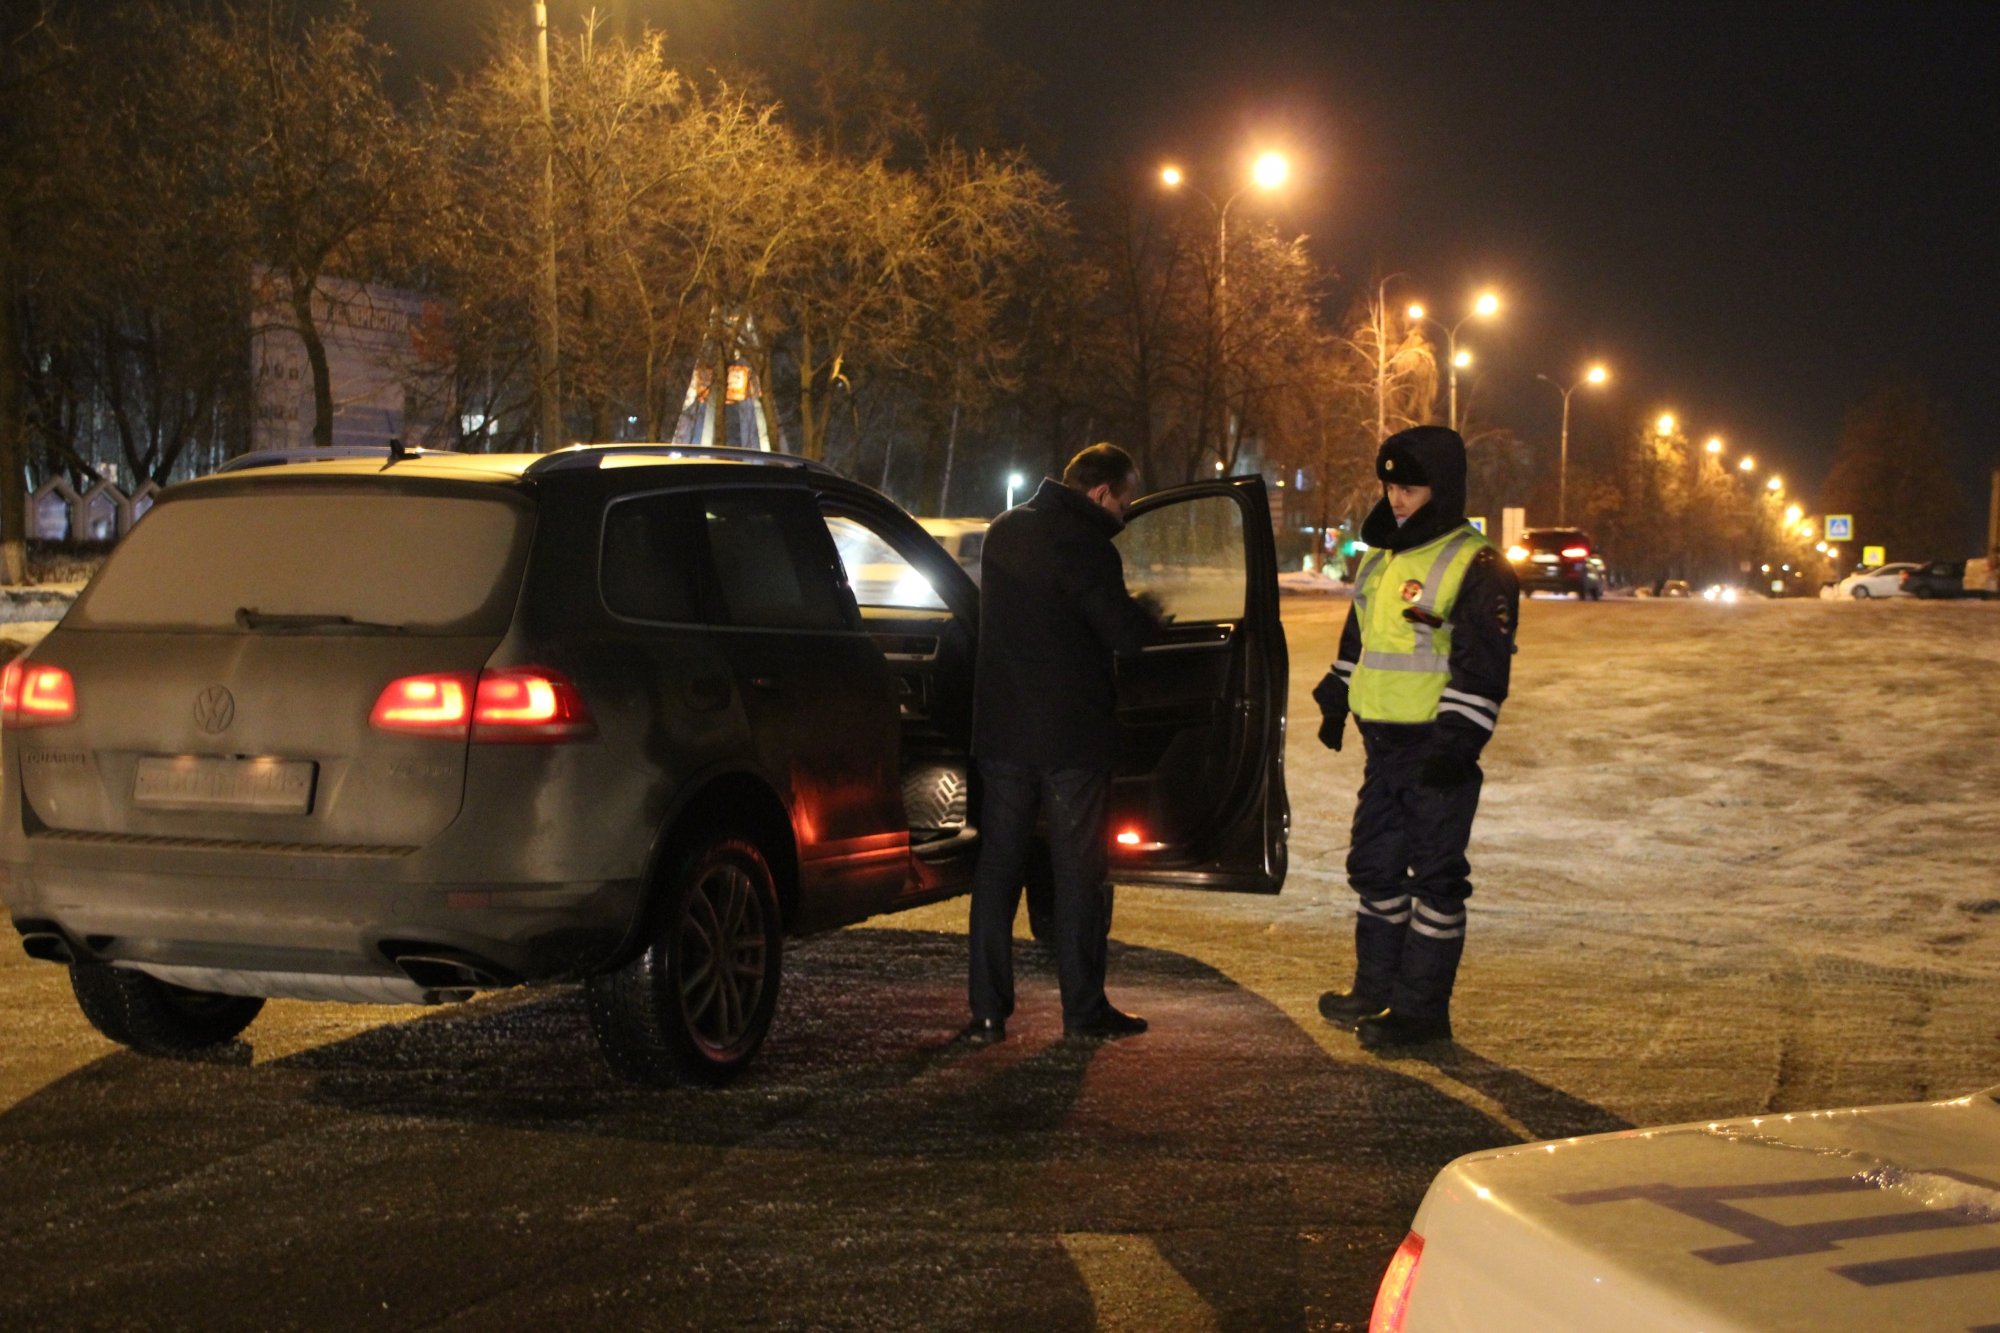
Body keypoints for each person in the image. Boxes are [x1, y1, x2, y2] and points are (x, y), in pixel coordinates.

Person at [1312, 426, 1519, 1049]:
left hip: (1436, 750)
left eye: (1410, 487)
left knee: (1434, 880)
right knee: (1375, 868)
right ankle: (1376, 993)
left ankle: (1422, 1013)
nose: (1397, 499)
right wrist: (1334, 694)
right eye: (1391, 486)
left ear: (1443, 489)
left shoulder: (1478, 564)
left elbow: (1482, 664)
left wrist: (1458, 745)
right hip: (1384, 748)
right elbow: (1362, 643)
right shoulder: (1381, 557)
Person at [962, 443, 1160, 1044]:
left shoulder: (1003, 531)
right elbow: (1121, 635)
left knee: (997, 870)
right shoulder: (1086, 546)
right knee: (1078, 875)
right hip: (1071, 739)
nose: (1124, 516)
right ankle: (1083, 1010)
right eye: (1123, 502)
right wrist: (1149, 614)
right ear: (1100, 493)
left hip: (1001, 733)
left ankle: (988, 1012)